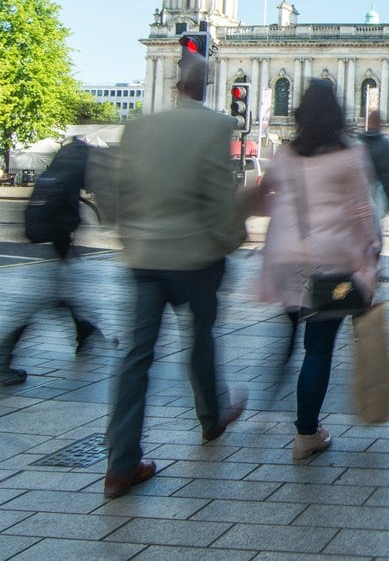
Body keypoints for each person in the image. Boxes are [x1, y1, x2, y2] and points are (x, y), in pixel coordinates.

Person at [103, 53, 247, 499]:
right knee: (200, 339)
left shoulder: (139, 128)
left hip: (144, 258)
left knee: (135, 359)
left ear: (174, 83)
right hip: (197, 257)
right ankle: (211, 418)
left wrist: (127, 236)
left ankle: (120, 465)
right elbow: (219, 195)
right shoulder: (216, 126)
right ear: (206, 85)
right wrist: (231, 240)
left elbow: (114, 190)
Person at [250, 79, 381, 461]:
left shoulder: (287, 153)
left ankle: (271, 394)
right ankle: (306, 432)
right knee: (319, 348)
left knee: (290, 335)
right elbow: (362, 213)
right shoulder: (350, 155)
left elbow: (265, 197)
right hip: (331, 263)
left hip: (285, 258)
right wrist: (371, 256)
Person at [0, 137, 111, 384]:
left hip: (54, 235)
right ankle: (0, 360)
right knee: (42, 301)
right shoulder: (81, 159)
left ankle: (84, 331)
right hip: (60, 236)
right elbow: (93, 187)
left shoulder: (63, 161)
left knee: (58, 295)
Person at [361, 110, 389, 217]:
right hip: (377, 200)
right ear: (380, 124)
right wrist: (388, 202)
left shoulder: (358, 142)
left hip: (360, 201)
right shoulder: (384, 145)